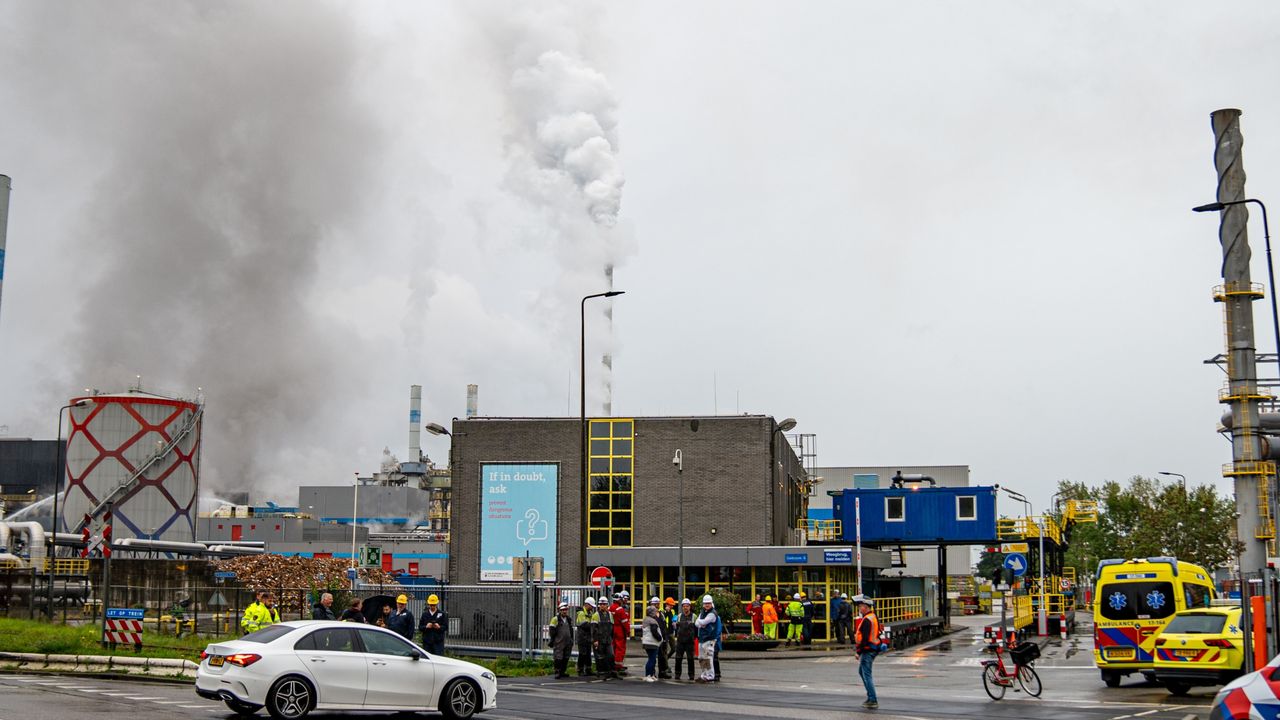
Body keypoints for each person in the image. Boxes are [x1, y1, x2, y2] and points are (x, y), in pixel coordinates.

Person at [853, 595, 885, 709]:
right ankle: (870, 697)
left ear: (866, 607)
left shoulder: (867, 619)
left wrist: (858, 652)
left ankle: (872, 699)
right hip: (872, 648)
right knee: (862, 672)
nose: (859, 609)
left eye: (861, 606)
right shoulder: (873, 616)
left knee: (866, 674)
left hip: (868, 650)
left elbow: (865, 639)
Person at [695, 595, 719, 683]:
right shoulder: (702, 612)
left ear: (711, 603)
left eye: (708, 603)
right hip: (702, 638)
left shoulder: (712, 613)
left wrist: (701, 622)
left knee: (708, 657)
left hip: (709, 639)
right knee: (701, 657)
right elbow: (697, 624)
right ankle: (704, 674)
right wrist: (701, 623)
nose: (707, 605)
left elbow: (702, 622)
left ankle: (710, 676)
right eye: (705, 603)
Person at [549, 602, 575, 679]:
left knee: (566, 657)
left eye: (566, 610)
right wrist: (553, 640)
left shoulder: (569, 619)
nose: (564, 611)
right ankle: (557, 672)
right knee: (558, 657)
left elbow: (571, 630)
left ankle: (563, 672)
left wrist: (571, 640)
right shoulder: (555, 619)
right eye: (563, 610)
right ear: (559, 610)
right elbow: (552, 631)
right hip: (559, 641)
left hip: (568, 642)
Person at [672, 598, 696, 681]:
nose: (685, 608)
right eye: (684, 606)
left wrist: (694, 638)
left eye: (687, 606)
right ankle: (677, 674)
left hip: (690, 642)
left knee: (690, 659)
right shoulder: (678, 616)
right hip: (680, 642)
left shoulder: (694, 616)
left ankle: (691, 675)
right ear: (682, 607)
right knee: (678, 658)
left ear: (690, 607)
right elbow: (676, 627)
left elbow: (697, 629)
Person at [593, 596, 616, 679]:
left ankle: (611, 671)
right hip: (600, 639)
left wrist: (612, 637)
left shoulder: (610, 614)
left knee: (611, 655)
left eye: (604, 604)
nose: (602, 606)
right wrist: (595, 640)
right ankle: (601, 672)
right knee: (600, 656)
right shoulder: (596, 615)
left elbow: (612, 627)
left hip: (608, 639)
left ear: (607, 605)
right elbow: (594, 629)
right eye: (601, 604)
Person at [641, 598, 664, 682]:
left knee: (652, 659)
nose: (656, 613)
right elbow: (654, 631)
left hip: (648, 642)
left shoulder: (646, 619)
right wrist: (660, 638)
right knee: (651, 659)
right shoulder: (652, 620)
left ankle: (651, 674)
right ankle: (648, 675)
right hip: (651, 643)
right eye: (655, 611)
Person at [575, 598, 597, 677]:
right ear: (587, 605)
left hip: (588, 637)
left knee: (588, 654)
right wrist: (593, 626)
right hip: (582, 637)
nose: (592, 608)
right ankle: (580, 670)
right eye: (591, 606)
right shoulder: (581, 613)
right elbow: (584, 625)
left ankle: (588, 669)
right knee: (582, 654)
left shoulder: (589, 613)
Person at [611, 590, 630, 673]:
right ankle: (618, 665)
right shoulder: (620, 609)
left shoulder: (609, 608)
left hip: (612, 629)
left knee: (613, 647)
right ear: (619, 600)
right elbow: (625, 622)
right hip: (620, 630)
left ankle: (613, 664)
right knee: (620, 648)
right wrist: (628, 631)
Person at [658, 598, 676, 679]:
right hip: (665, 633)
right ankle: (666, 666)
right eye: (670, 605)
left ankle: (666, 661)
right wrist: (666, 611)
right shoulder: (661, 611)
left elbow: (673, 619)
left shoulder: (672, 611)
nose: (672, 606)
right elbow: (662, 620)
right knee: (664, 650)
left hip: (671, 633)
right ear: (667, 604)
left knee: (674, 648)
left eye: (672, 605)